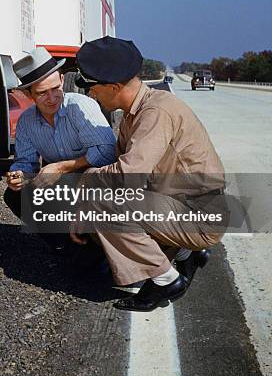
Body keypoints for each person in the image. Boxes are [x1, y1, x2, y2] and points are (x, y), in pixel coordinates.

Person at [70, 36, 228, 312]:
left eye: (92, 88)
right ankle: (185, 252)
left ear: (114, 87)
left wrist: (85, 187)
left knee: (101, 203)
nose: (91, 94)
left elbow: (128, 175)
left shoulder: (155, 112)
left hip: (200, 214)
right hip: (181, 204)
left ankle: (166, 280)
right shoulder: (136, 112)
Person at [4, 47, 116, 251]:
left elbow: (108, 152)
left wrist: (62, 167)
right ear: (27, 94)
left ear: (62, 79)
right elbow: (25, 162)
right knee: (15, 195)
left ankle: (101, 248)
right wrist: (19, 174)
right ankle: (67, 247)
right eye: (42, 93)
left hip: (95, 180)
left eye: (55, 88)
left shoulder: (82, 107)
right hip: (65, 185)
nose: (52, 98)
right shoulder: (27, 122)